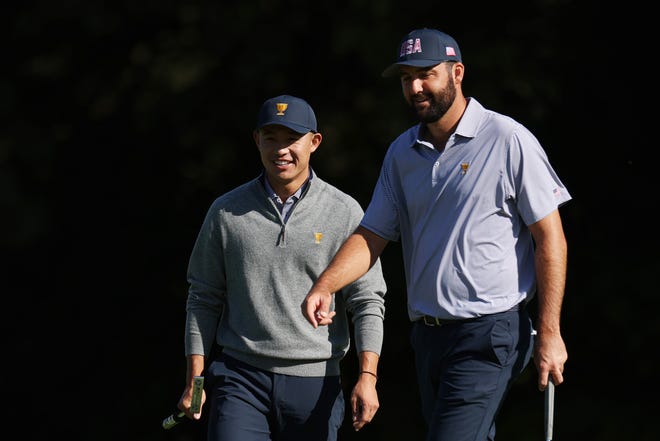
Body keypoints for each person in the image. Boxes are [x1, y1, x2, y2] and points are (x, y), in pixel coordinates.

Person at [302, 28, 571, 441]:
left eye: (426, 74)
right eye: (407, 78)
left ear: (457, 73)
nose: (415, 87)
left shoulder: (507, 139)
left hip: (490, 331)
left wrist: (549, 332)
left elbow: (549, 238)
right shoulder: (401, 153)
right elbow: (373, 234)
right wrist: (326, 285)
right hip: (428, 338)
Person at [177, 94, 387, 440]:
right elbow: (203, 297)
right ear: (257, 140)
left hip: (317, 382)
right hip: (240, 376)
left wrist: (367, 377)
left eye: (292, 139)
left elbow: (367, 301)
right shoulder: (226, 211)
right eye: (271, 138)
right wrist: (195, 382)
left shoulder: (345, 211)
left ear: (314, 142)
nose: (281, 149)